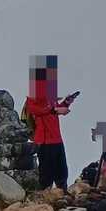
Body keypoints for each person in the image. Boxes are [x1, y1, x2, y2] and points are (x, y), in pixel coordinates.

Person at [23, 54, 76, 190]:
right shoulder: (35, 92)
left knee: (61, 172)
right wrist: (55, 110)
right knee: (47, 176)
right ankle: (47, 197)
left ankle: (61, 195)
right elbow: (33, 109)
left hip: (56, 139)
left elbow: (53, 110)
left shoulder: (49, 93)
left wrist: (66, 103)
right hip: (45, 141)